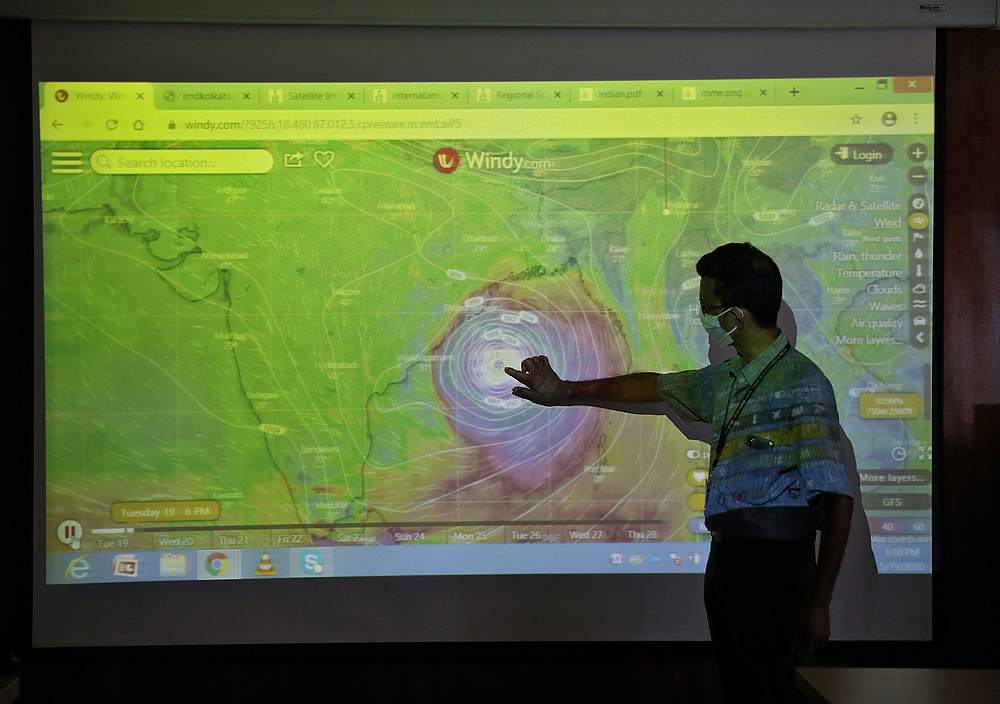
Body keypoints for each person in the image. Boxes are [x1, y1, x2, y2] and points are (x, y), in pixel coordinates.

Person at [504, 242, 854, 704]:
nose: (704, 319)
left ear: (735, 316)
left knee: (771, 692)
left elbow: (837, 497)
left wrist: (821, 601)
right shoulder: (727, 379)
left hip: (777, 569)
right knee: (740, 690)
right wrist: (563, 390)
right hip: (730, 563)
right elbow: (652, 385)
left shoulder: (803, 384)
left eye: (709, 309)